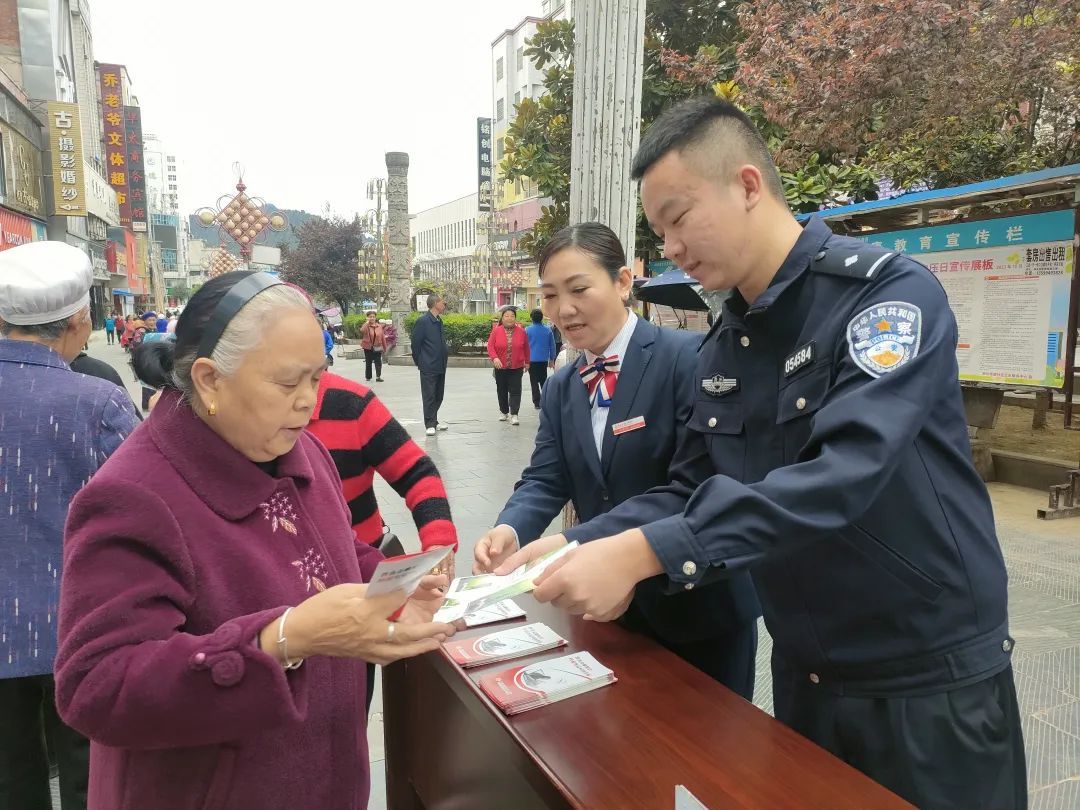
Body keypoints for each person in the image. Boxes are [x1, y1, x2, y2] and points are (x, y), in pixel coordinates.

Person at [501, 97, 1026, 808]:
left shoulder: (884, 300)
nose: (673, 246)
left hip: (923, 674)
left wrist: (645, 554)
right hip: (808, 671)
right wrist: (578, 544)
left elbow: (843, 475)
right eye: (659, 229)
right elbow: (691, 483)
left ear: (748, 185)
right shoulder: (725, 347)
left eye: (680, 217)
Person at [53, 271, 458, 809]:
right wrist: (281, 639)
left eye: (317, 379)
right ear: (209, 380)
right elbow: (96, 687)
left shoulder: (304, 452)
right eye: (289, 384)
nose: (308, 404)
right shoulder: (137, 495)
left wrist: (394, 587)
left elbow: (330, 556)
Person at [474, 223, 759, 697]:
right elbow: (546, 477)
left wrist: (568, 542)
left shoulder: (689, 359)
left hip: (698, 609)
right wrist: (511, 529)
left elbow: (694, 487)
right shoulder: (565, 385)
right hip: (608, 614)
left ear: (623, 282)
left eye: (579, 289)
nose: (563, 309)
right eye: (549, 296)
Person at [0, 241, 140, 810]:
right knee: (93, 779)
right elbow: (143, 507)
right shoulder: (98, 403)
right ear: (80, 319)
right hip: (79, 632)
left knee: (9, 781)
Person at [307, 368, 459, 709]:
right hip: (285, 599)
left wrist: (437, 540)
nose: (301, 399)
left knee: (349, 705)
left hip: (361, 579)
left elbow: (416, 471)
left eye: (315, 372)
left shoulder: (351, 403)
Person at [410, 293, 449, 436]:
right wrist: (419, 361)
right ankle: (429, 424)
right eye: (442, 302)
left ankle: (434, 420)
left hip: (440, 364)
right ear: (435, 304)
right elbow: (416, 344)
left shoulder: (439, 320)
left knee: (439, 395)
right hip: (428, 364)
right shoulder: (423, 321)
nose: (444, 304)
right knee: (429, 395)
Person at [487, 305, 529, 425]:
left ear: (515, 318)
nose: (509, 318)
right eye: (506, 316)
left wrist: (527, 362)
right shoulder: (496, 331)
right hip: (500, 366)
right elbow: (490, 346)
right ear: (502, 318)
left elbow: (526, 347)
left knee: (516, 390)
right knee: (502, 389)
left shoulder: (522, 332)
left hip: (517, 366)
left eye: (512, 316)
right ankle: (504, 411)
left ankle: (514, 414)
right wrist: (495, 358)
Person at [524, 308, 557, 409]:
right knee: (543, 380)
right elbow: (552, 346)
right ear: (542, 318)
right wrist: (552, 359)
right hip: (543, 360)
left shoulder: (527, 330)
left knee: (533, 381)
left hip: (531, 360)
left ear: (531, 318)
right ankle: (546, 400)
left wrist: (524, 361)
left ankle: (537, 403)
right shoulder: (548, 330)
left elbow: (523, 346)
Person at [360, 310, 387, 382]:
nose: (372, 318)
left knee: (378, 362)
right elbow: (362, 331)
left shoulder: (379, 326)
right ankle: (368, 377)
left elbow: (382, 337)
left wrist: (384, 347)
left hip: (377, 347)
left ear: (375, 318)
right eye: (370, 317)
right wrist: (366, 322)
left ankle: (378, 377)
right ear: (367, 318)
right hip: (368, 347)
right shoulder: (366, 326)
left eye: (373, 317)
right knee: (368, 362)